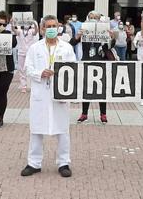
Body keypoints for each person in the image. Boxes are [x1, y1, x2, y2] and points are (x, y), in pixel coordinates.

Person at [21, 15, 76, 178]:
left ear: (58, 27)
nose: (51, 29)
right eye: (48, 26)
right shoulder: (35, 48)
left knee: (63, 129)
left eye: (54, 25)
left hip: (60, 93)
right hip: (40, 93)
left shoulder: (66, 48)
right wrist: (40, 73)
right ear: (43, 28)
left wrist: (60, 75)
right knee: (36, 129)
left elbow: (72, 68)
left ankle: (64, 162)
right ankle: (34, 163)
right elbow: (27, 68)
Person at [70, 11, 111, 123]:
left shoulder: (103, 32)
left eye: (95, 18)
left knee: (101, 89)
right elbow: (71, 43)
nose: (93, 19)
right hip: (86, 62)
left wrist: (110, 37)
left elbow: (108, 48)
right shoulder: (84, 31)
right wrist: (78, 36)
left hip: (100, 62)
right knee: (86, 89)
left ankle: (103, 114)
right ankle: (84, 114)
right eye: (91, 17)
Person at [15, 20, 39, 93]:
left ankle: (32, 85)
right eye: (25, 23)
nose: (26, 25)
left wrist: (34, 23)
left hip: (29, 53)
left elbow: (36, 32)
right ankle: (23, 86)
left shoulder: (31, 31)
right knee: (21, 69)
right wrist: (13, 24)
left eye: (27, 23)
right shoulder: (20, 31)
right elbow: (14, 31)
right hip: (21, 53)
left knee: (31, 68)